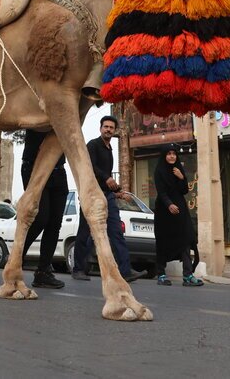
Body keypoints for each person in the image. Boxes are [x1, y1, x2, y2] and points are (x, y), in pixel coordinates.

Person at [72, 116, 147, 283]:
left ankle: (125, 271)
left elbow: (107, 180)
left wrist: (118, 192)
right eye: (105, 126)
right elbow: (90, 165)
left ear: (114, 131)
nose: (108, 130)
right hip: (91, 195)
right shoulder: (93, 145)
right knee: (85, 233)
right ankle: (78, 269)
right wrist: (106, 177)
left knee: (116, 233)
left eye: (111, 128)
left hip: (107, 197)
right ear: (100, 128)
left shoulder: (109, 149)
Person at [20, 130, 68, 289]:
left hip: (59, 171)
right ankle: (16, 259)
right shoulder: (37, 112)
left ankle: (43, 272)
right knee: (41, 218)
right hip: (35, 167)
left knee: (55, 223)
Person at [153, 147, 203, 286]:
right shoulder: (159, 170)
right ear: (164, 156)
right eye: (168, 154)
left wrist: (182, 178)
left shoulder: (178, 170)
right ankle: (161, 274)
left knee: (186, 240)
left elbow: (184, 190)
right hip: (164, 212)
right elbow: (161, 191)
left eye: (174, 154)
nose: (172, 156)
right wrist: (169, 204)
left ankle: (188, 275)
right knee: (163, 242)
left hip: (180, 211)